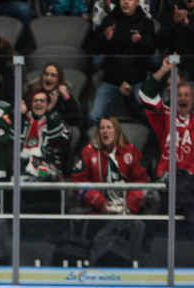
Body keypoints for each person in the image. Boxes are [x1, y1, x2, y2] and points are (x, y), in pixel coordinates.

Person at [62, 117, 150, 265]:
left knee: (139, 227)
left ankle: (132, 266)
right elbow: (78, 182)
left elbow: (142, 182)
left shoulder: (131, 152)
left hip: (126, 212)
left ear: (116, 131)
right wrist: (100, 202)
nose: (105, 131)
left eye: (109, 128)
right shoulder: (88, 152)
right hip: (96, 211)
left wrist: (127, 206)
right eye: (102, 128)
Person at [139, 58, 194, 235]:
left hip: (191, 185)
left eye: (187, 95)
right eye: (179, 94)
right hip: (166, 183)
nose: (183, 98)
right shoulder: (164, 116)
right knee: (161, 230)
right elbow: (146, 94)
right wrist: (163, 68)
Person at [88, 0, 155, 126]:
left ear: (137, 3)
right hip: (112, 81)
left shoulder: (146, 23)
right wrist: (105, 38)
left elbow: (151, 50)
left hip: (137, 81)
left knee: (149, 118)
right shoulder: (109, 21)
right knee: (93, 117)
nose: (125, 2)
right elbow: (95, 48)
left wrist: (139, 42)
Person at [20, 90, 70, 181]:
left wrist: (50, 111)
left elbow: (57, 139)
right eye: (35, 101)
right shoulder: (24, 122)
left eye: (42, 101)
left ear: (48, 104)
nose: (38, 103)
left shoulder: (55, 119)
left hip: (50, 175)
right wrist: (18, 115)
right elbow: (14, 141)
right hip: (25, 174)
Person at [23, 62, 82, 129]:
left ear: (59, 79)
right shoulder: (32, 92)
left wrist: (66, 97)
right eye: (46, 74)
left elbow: (75, 121)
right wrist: (49, 107)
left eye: (53, 75)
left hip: (57, 130)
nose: (48, 78)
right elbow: (27, 117)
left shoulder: (63, 95)